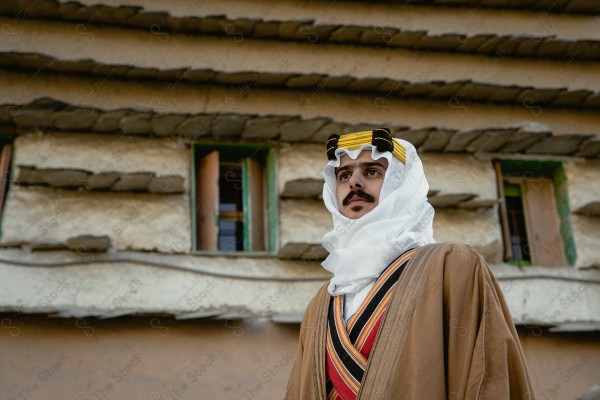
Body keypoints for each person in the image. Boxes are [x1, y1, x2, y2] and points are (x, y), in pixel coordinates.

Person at [285, 128, 535, 400]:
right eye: (344, 175)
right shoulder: (320, 305)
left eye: (372, 172)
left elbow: (489, 378)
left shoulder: (453, 267)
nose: (354, 182)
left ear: (401, 183)